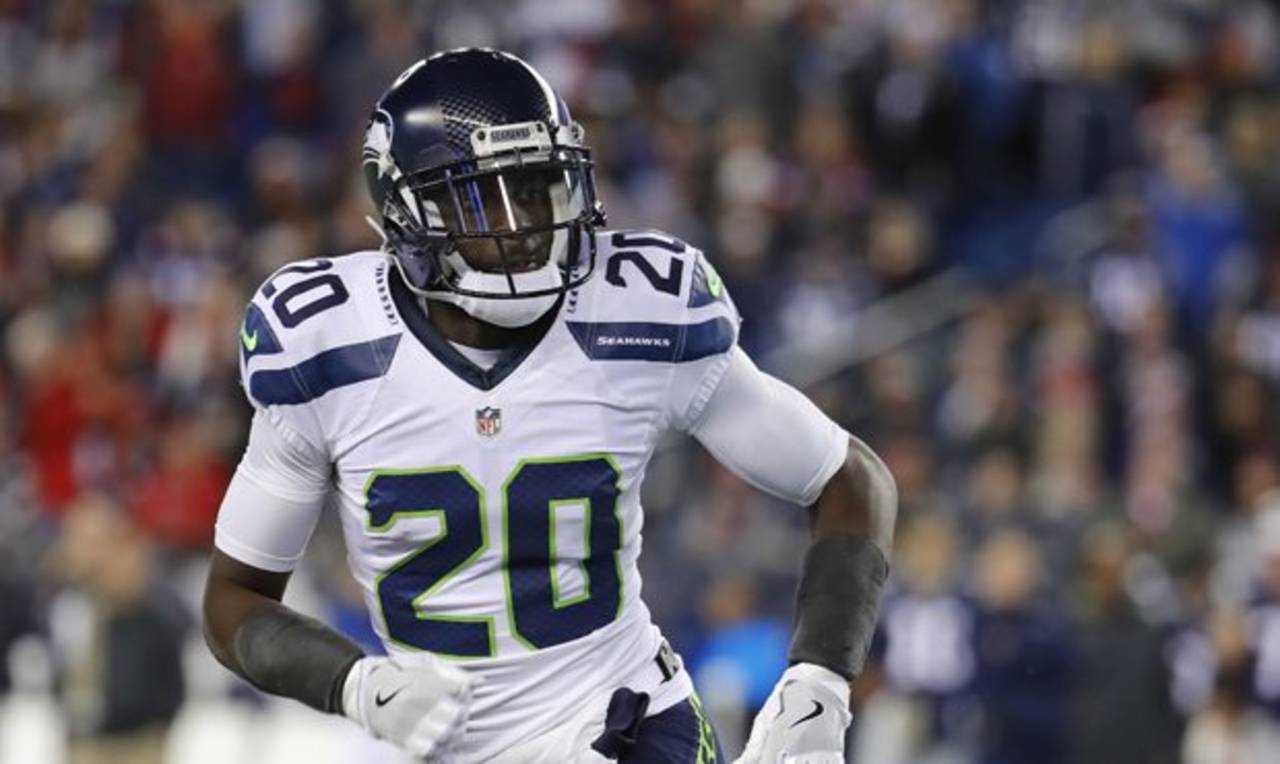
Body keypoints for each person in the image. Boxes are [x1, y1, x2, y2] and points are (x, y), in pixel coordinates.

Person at [202, 48, 897, 763]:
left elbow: (849, 478)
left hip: (623, 721)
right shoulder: (327, 344)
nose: (522, 230)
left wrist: (820, 683)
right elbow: (235, 599)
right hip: (442, 744)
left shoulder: (637, 311)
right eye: (481, 200)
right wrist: (355, 684)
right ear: (404, 212)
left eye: (535, 191)